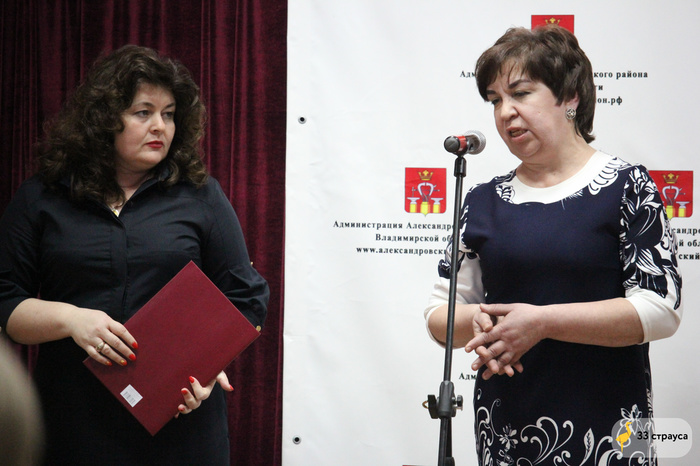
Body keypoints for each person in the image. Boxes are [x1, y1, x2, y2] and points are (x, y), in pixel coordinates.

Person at [0, 45, 269, 465]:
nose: (160, 126)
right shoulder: (43, 196)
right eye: (143, 112)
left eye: (169, 114)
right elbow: (5, 300)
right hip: (74, 422)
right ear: (104, 119)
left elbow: (247, 297)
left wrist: (207, 363)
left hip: (180, 424)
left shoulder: (201, 196)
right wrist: (71, 319)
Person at [424, 26, 682, 465]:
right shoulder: (482, 200)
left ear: (570, 97)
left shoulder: (626, 186)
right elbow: (439, 314)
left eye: (521, 93)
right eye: (495, 100)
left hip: (611, 433)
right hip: (506, 432)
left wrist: (542, 323)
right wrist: (481, 321)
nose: (505, 112)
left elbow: (660, 309)